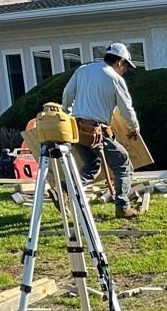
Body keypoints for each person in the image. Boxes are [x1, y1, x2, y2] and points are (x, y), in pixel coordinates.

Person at [62, 41, 145, 217]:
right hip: (95, 132)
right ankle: (122, 207)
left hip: (76, 130)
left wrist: (67, 113)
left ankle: (63, 190)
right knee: (123, 163)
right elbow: (126, 110)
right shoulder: (115, 78)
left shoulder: (83, 70)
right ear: (120, 62)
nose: (125, 70)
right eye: (125, 67)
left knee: (92, 166)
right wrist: (134, 127)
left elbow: (68, 94)